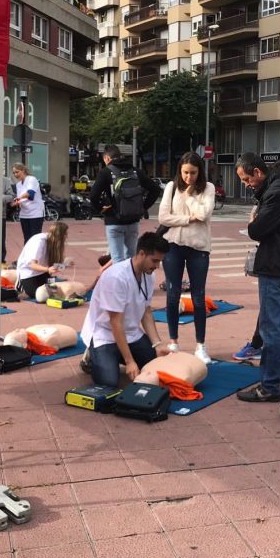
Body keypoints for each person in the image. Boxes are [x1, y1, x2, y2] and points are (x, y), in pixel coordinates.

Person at [234, 153, 280, 402]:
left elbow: (257, 230)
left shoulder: (276, 192)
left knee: (272, 327)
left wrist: (253, 219)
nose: (247, 184)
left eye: (246, 179)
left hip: (275, 266)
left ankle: (269, 386)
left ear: (257, 171)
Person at [81, 231, 170, 387]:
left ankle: (117, 356)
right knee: (108, 382)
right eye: (155, 261)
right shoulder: (116, 277)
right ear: (141, 254)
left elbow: (146, 312)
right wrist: (129, 361)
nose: (157, 266)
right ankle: (92, 355)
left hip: (131, 334)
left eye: (159, 262)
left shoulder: (149, 274)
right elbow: (115, 322)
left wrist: (157, 344)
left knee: (157, 366)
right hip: (105, 334)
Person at [158, 152, 216, 364]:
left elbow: (204, 214)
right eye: (185, 173)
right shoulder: (171, 187)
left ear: (200, 172)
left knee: (198, 297)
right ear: (179, 171)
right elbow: (163, 217)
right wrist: (188, 219)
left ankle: (200, 345)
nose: (188, 177)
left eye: (193, 173)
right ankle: (173, 342)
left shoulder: (208, 188)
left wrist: (189, 196)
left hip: (199, 248)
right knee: (172, 294)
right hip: (173, 245)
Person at [90, 144, 160, 264]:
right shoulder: (135, 171)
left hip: (114, 221)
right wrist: (143, 207)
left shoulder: (105, 172)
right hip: (133, 221)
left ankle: (121, 277)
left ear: (107, 158)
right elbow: (155, 189)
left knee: (117, 259)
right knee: (131, 258)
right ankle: (131, 276)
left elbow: (93, 196)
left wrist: (102, 210)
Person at [16, 221, 69, 299]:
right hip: (28, 273)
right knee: (39, 295)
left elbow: (52, 266)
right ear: (59, 235)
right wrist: (48, 269)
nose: (66, 236)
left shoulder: (52, 242)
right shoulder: (39, 241)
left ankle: (54, 281)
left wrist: (65, 265)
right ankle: (21, 286)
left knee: (54, 293)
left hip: (42, 273)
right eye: (65, 234)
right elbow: (32, 265)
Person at [11, 163, 45, 244]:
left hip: (35, 213)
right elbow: (22, 199)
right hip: (24, 214)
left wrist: (19, 198)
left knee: (35, 239)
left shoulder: (31, 179)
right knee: (27, 239)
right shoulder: (18, 184)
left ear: (23, 170)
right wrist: (17, 203)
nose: (15, 175)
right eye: (14, 173)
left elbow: (30, 194)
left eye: (17, 172)